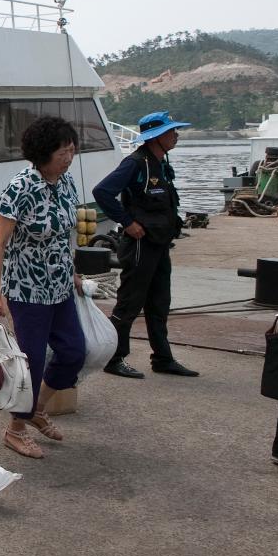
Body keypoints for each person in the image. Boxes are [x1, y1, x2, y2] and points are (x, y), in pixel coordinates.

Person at [0, 116, 87, 460]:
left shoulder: (67, 183)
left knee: (74, 352)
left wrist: (72, 272)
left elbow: (65, 235)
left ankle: (38, 408)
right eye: (64, 151)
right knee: (29, 363)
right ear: (44, 152)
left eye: (73, 150)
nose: (70, 156)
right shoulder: (20, 187)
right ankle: (15, 430)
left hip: (59, 286)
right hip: (27, 290)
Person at [92, 111, 199, 379]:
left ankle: (163, 358)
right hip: (140, 244)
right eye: (171, 131)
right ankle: (114, 358)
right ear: (155, 137)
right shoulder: (136, 164)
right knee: (129, 303)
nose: (176, 135)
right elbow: (102, 192)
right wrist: (127, 222)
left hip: (160, 244)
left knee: (160, 302)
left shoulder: (161, 163)